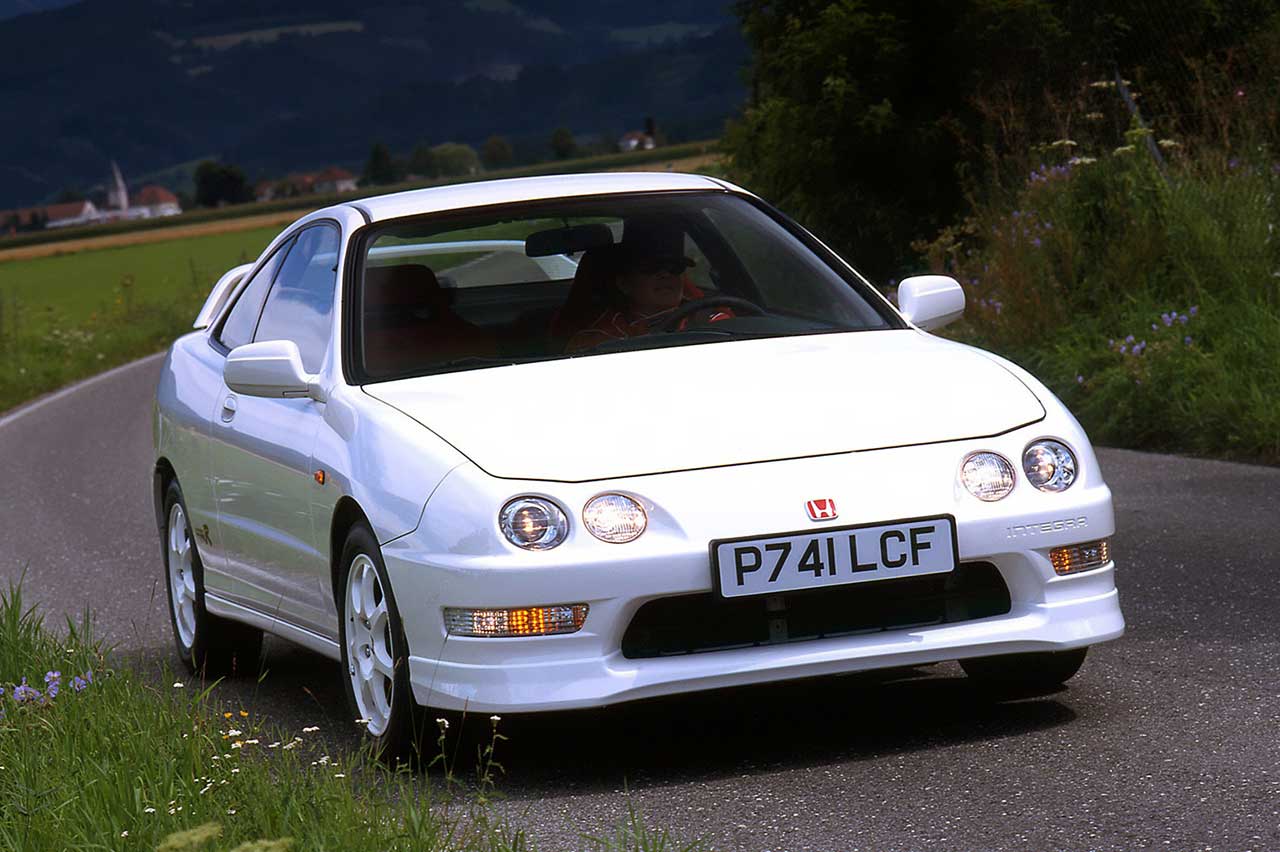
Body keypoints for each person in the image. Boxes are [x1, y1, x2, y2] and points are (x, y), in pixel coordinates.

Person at [565, 230, 732, 352]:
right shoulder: (598, 339)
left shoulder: (716, 322)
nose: (665, 274)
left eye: (675, 267)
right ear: (624, 284)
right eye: (651, 268)